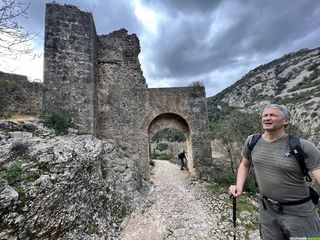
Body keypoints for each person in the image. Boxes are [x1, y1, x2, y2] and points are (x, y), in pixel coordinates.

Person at [229, 104, 320, 239]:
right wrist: (239, 186)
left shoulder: (303, 146)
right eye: (265, 115)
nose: (267, 118)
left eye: (273, 115)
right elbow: (244, 164)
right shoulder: (252, 141)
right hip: (267, 210)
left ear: (286, 120)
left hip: (300, 213)